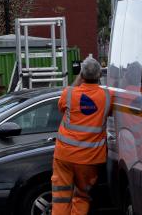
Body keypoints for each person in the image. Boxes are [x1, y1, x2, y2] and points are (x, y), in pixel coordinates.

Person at [51, 55, 113, 215]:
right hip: (89, 159)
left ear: (82, 75)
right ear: (100, 75)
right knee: (82, 196)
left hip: (64, 155)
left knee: (60, 196)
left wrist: (79, 79)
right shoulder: (107, 97)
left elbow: (61, 107)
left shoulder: (69, 93)